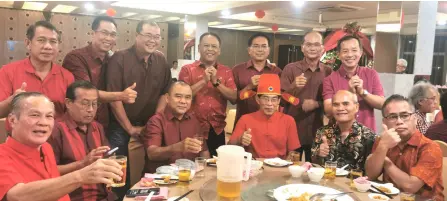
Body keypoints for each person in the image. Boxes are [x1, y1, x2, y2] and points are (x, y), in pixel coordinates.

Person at [0, 92, 123, 201]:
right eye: (34, 115)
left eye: (49, 116)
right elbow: (16, 195)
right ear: (12, 120)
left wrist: (83, 164)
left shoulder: (46, 147)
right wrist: (81, 175)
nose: (43, 122)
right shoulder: (3, 154)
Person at [106, 20, 171, 199]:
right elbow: (115, 97)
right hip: (121, 125)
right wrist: (130, 128)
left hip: (150, 123)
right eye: (148, 36)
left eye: (156, 37)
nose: (153, 40)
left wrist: (156, 121)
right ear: (136, 36)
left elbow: (165, 93)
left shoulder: (160, 59)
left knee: (156, 167)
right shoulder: (119, 58)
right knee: (119, 172)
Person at [62, 16, 137, 128]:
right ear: (93, 33)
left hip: (105, 124)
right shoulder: (76, 58)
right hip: (80, 124)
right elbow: (86, 93)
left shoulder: (113, 59)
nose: (108, 38)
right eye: (104, 33)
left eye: (112, 35)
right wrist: (121, 95)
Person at [365, 95, 444, 201]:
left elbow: (410, 187)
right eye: (393, 117)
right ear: (385, 122)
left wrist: (387, 163)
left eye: (405, 115)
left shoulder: (430, 147)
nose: (399, 121)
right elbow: (370, 175)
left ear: (415, 120)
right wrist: (382, 147)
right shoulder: (384, 141)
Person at [48, 81, 115, 201]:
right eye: (85, 104)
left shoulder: (97, 127)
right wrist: (82, 163)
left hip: (105, 196)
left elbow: (108, 157)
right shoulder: (55, 130)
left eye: (94, 104)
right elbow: (48, 172)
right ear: (68, 103)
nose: (90, 109)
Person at [0, 21, 74, 121]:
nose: (48, 46)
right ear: (28, 43)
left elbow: (71, 114)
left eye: (53, 41)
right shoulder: (8, 71)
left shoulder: (67, 76)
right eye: (41, 40)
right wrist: (12, 101)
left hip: (57, 135)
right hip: (20, 135)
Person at [179, 32, 237, 157]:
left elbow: (234, 97)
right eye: (206, 45)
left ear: (219, 50)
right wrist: (204, 81)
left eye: (214, 46)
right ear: (199, 48)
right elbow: (182, 96)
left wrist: (216, 83)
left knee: (216, 168)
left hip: (217, 128)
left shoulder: (226, 71)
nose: (210, 49)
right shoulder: (187, 69)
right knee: (190, 166)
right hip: (191, 126)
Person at [280, 31, 332, 162]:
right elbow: (279, 100)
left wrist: (317, 104)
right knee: (289, 169)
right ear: (302, 47)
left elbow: (332, 101)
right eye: (308, 44)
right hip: (292, 129)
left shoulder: (328, 71)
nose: (312, 48)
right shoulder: (290, 69)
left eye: (316, 44)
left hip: (317, 131)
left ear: (322, 48)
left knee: (315, 170)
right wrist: (293, 86)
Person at [143, 81, 210, 172]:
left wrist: (207, 173)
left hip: (189, 177)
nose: (183, 101)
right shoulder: (156, 121)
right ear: (167, 98)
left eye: (188, 97)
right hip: (160, 179)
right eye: (178, 96)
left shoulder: (194, 120)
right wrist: (178, 147)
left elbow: (204, 152)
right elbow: (152, 154)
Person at [229, 74, 301, 159]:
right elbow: (230, 145)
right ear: (257, 99)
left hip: (279, 167)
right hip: (254, 165)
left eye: (274, 99)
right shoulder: (245, 119)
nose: (269, 104)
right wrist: (240, 139)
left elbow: (293, 151)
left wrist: (289, 161)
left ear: (279, 101)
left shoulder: (289, 121)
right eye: (265, 98)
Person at [323, 35, 385, 131]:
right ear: (339, 55)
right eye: (345, 51)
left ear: (361, 53)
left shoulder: (371, 74)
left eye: (354, 50)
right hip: (340, 134)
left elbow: (382, 104)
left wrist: (362, 92)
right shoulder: (330, 79)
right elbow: (328, 110)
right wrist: (349, 93)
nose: (350, 55)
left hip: (367, 134)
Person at [311, 90, 376, 171]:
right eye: (336, 105)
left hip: (355, 182)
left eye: (345, 104)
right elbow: (314, 163)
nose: (340, 108)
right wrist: (319, 154)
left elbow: (373, 171)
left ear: (356, 107)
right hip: (326, 181)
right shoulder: (322, 132)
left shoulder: (369, 136)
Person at [232, 33, 281, 126]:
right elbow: (233, 100)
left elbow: (281, 100)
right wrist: (249, 86)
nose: (260, 50)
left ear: (269, 50)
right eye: (256, 46)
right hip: (243, 123)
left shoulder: (277, 72)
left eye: (264, 46)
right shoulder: (238, 70)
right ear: (249, 50)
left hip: (270, 124)